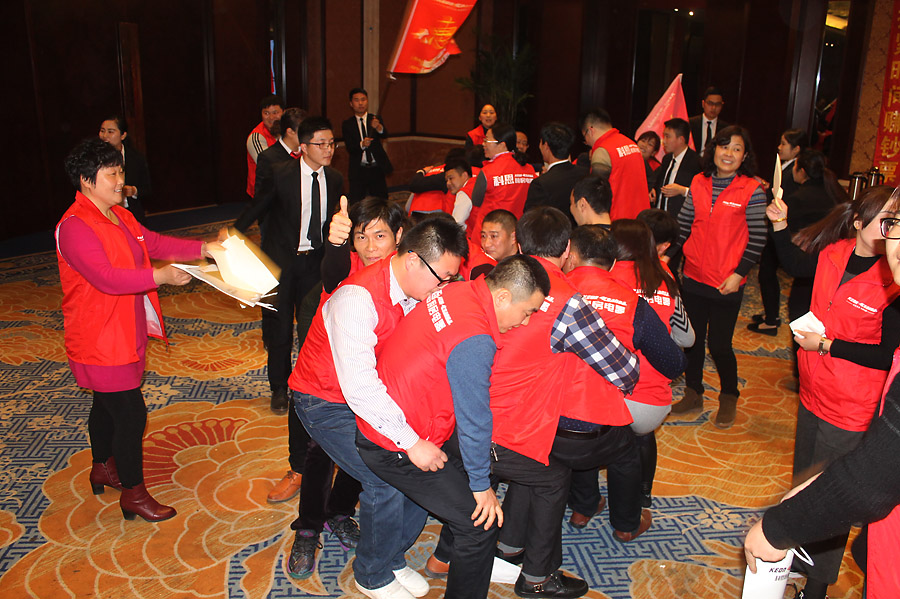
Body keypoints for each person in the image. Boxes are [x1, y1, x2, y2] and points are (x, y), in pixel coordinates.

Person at [290, 218, 468, 599]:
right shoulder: (357, 299)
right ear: (414, 260)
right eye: (443, 277)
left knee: (418, 468)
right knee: (386, 474)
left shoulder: (416, 287)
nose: (445, 287)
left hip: (375, 391)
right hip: (324, 399)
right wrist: (410, 442)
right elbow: (359, 389)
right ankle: (371, 574)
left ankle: (390, 557)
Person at [358, 255, 550, 599]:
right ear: (503, 296)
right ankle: (472, 553)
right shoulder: (475, 337)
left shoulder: (458, 291)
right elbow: (474, 417)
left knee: (483, 463)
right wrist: (480, 486)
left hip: (404, 421)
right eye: (527, 312)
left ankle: (457, 557)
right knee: (480, 524)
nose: (525, 322)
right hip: (395, 442)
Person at [743, 197, 900, 599]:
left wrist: (828, 345)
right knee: (803, 484)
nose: (893, 234)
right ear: (859, 221)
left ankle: (816, 588)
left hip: (851, 404)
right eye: (889, 221)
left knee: (831, 496)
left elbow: (887, 355)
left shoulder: (893, 283)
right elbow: (795, 265)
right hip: (814, 390)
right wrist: (780, 226)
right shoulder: (835, 252)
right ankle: (796, 562)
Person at [57, 137, 220, 522]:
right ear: (87, 180)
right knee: (130, 413)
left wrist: (202, 249)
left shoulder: (119, 215)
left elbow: (154, 242)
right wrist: (159, 276)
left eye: (121, 172)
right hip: (99, 336)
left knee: (106, 404)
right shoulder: (75, 226)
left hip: (124, 326)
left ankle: (103, 466)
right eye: (111, 174)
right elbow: (106, 277)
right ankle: (133, 493)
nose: (120, 181)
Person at [283, 197, 407, 579]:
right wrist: (336, 243)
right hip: (322, 388)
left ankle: (338, 513)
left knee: (368, 450)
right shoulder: (348, 269)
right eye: (361, 236)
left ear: (399, 236)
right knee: (319, 455)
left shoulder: (406, 274)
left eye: (380, 236)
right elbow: (332, 269)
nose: (370, 247)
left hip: (369, 388)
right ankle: (308, 529)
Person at [232, 117, 343, 414]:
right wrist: (230, 236)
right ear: (303, 147)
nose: (329, 149)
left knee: (312, 327)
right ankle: (279, 388)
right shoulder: (281, 174)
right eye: (321, 144)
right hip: (281, 263)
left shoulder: (334, 179)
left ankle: (307, 384)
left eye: (332, 143)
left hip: (314, 263)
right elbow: (256, 208)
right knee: (279, 329)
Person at [669, 125, 767, 428]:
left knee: (720, 345)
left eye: (737, 149)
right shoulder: (698, 182)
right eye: (724, 147)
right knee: (693, 341)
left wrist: (739, 274)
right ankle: (693, 392)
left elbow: (758, 238)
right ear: (714, 150)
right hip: (694, 276)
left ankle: (729, 395)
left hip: (727, 281)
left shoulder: (751, 189)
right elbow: (684, 226)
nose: (729, 154)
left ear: (744, 156)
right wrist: (666, 256)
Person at [609, 219, 694, 508]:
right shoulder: (665, 276)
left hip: (610, 393)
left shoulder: (605, 276)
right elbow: (688, 337)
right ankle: (643, 496)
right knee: (642, 437)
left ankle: (586, 503)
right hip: (651, 401)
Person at [748, 128, 807, 336]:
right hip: (776, 228)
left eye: (784, 144)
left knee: (767, 273)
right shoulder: (787, 167)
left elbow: (784, 200)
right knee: (767, 273)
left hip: (780, 229)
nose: (779, 147)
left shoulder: (794, 173)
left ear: (796, 149)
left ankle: (771, 320)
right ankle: (770, 315)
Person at [468, 122, 536, 238]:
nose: (483, 144)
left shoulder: (488, 171)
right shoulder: (529, 169)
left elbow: (476, 201)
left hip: (490, 234)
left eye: (487, 140)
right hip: (516, 233)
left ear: (502, 145)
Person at [580, 108, 649, 220]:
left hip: (617, 220)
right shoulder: (631, 144)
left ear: (590, 131)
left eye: (585, 137)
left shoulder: (603, 150)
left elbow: (596, 191)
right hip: (640, 217)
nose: (587, 142)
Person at [524, 121, 587, 222]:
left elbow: (531, 221)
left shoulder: (540, 184)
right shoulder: (585, 174)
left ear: (546, 146)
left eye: (540, 142)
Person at [342, 88, 393, 204]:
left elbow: (385, 135)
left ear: (367, 101)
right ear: (351, 104)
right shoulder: (347, 124)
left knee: (381, 202)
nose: (360, 103)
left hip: (376, 168)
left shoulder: (374, 119)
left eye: (363, 100)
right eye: (356, 100)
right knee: (357, 202)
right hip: (359, 169)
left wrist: (378, 127)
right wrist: (362, 144)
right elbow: (350, 148)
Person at [99, 115, 151, 224]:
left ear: (123, 135)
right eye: (102, 131)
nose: (105, 136)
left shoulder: (136, 158)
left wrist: (134, 191)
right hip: (104, 213)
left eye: (110, 132)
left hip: (130, 212)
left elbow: (147, 188)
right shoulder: (94, 159)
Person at [651, 118, 702, 219]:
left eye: (667, 136)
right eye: (664, 136)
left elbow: (702, 193)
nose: (664, 141)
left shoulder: (697, 162)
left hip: (679, 218)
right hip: (659, 216)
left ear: (681, 140)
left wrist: (683, 191)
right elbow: (659, 181)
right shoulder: (667, 159)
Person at [462, 209, 518, 280]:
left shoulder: (523, 270)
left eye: (494, 236)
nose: (486, 244)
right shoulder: (483, 265)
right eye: (483, 236)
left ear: (513, 237)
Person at [246, 94, 284, 200]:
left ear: (283, 112)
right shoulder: (256, 137)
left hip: (283, 190)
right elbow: (270, 167)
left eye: (275, 113)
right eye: (266, 113)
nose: (271, 117)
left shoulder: (288, 132)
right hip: (263, 194)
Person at [689, 86, 729, 156]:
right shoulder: (690, 123)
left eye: (717, 104)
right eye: (710, 103)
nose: (713, 107)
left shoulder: (726, 129)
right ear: (703, 104)